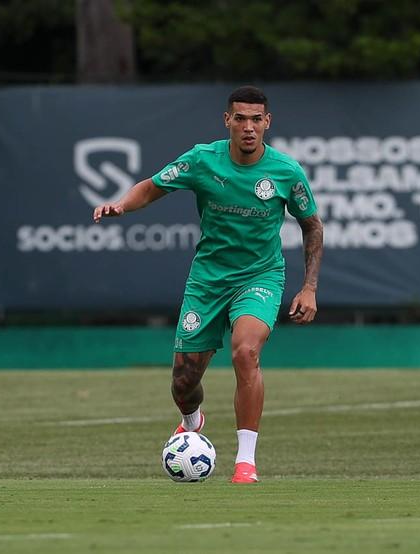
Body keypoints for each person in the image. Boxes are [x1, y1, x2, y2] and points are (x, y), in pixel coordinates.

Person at [92, 85, 323, 483]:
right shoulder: (202, 160)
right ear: (227, 120)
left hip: (260, 277)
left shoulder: (286, 172)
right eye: (240, 119)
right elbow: (152, 186)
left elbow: (312, 226)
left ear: (267, 122)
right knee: (183, 381)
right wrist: (122, 205)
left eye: (256, 119)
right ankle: (192, 420)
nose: (248, 127)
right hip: (208, 281)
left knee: (246, 352)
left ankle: (246, 462)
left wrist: (309, 288)